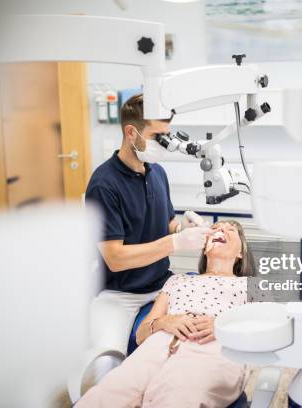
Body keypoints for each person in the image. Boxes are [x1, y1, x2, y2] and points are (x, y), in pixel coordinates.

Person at [85, 93, 212, 361]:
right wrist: (175, 243)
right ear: (131, 132)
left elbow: (165, 225)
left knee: (192, 342)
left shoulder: (157, 172)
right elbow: (116, 259)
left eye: (167, 136)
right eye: (157, 137)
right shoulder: (103, 184)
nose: (163, 145)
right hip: (120, 295)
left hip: (161, 283)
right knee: (106, 364)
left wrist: (180, 229)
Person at [77, 220, 256, 408]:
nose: (220, 229)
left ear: (240, 253)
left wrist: (225, 326)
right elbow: (141, 335)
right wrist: (164, 321)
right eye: (216, 228)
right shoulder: (177, 281)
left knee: (177, 397)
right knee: (106, 395)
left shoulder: (251, 286)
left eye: (230, 230)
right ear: (204, 248)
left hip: (212, 346)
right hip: (158, 345)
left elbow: (268, 332)